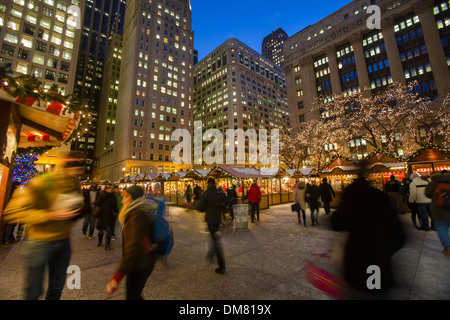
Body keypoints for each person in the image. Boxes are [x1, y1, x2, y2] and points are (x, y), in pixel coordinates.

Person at [3, 152, 86, 300]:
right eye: (76, 169)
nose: (77, 174)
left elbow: (78, 205)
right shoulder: (42, 182)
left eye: (80, 170)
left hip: (63, 240)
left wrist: (78, 211)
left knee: (57, 286)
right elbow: (13, 211)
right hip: (39, 241)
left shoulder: (74, 184)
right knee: (33, 290)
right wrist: (50, 215)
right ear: (66, 167)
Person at [331, 171, 406, 300]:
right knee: (376, 291)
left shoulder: (352, 200)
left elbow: (336, 223)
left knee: (362, 291)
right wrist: (384, 251)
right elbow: (399, 236)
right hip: (380, 265)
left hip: (357, 268)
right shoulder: (381, 198)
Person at [106, 186, 159, 300]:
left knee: (132, 296)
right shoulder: (139, 211)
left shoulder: (137, 215)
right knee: (134, 295)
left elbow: (133, 249)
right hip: (143, 261)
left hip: (140, 264)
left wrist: (117, 276)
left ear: (133, 198)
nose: (122, 200)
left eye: (125, 197)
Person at [196, 178, 227, 275]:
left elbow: (200, 208)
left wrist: (200, 205)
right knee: (214, 237)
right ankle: (210, 254)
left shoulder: (206, 193)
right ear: (215, 183)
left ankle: (222, 266)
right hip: (218, 219)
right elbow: (225, 201)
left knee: (215, 240)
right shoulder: (219, 192)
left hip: (210, 219)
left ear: (208, 183)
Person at [425, 170, 450, 256]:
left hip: (439, 210)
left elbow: (427, 194)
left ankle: (448, 246)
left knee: (442, 227)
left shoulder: (433, 183)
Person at [95, 185, 119, 250]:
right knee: (100, 232)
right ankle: (99, 241)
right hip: (102, 216)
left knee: (109, 232)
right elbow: (97, 203)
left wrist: (117, 213)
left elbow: (115, 206)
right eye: (108, 188)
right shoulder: (101, 195)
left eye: (111, 188)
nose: (110, 190)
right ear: (105, 189)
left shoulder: (113, 196)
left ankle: (107, 245)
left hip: (110, 216)